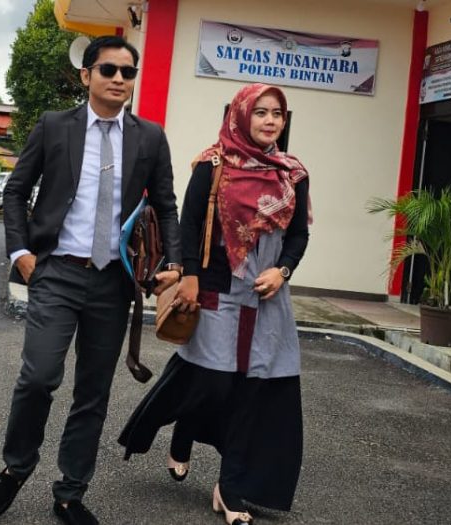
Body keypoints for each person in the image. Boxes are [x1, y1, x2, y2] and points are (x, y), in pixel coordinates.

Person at [0, 35, 182, 525]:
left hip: (113, 282)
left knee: (93, 393)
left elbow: (166, 206)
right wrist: (22, 254)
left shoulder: (150, 137)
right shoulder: (55, 126)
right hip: (57, 271)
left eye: (127, 72)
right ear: (86, 75)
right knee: (38, 378)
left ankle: (70, 493)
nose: (119, 79)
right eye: (109, 70)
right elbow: (16, 192)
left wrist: (173, 263)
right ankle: (17, 465)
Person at [119, 83, 310, 525]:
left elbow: (299, 234)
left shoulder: (293, 174)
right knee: (212, 381)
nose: (269, 121)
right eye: (260, 112)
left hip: (266, 297)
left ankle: (231, 488)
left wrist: (282, 271)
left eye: (277, 114)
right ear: (240, 116)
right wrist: (188, 277)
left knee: (253, 390)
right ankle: (184, 430)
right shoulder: (214, 163)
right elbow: (188, 225)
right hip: (217, 289)